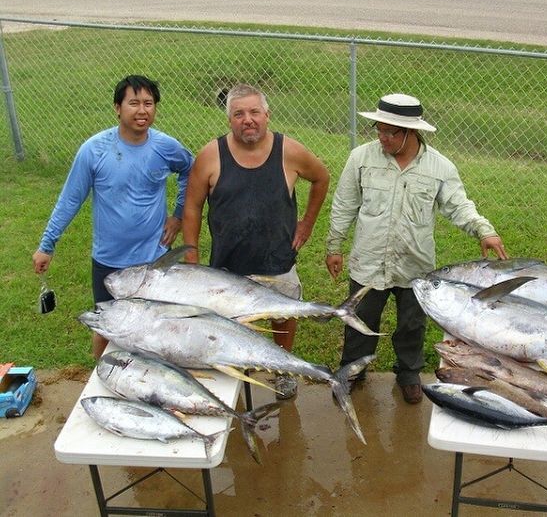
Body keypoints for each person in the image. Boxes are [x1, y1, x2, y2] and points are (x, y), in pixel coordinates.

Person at [325, 93, 508, 404]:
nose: (382, 137)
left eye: (390, 132)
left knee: (412, 322)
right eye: (378, 129)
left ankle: (408, 372)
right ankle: (353, 368)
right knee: (360, 317)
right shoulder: (360, 158)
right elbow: (345, 204)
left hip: (415, 264)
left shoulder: (440, 167)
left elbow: (457, 205)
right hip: (369, 260)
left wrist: (483, 229)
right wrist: (335, 245)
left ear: (410, 132)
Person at [182, 83, 330, 400]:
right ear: (229, 120)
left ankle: (284, 370)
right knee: (231, 326)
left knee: (283, 317)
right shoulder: (210, 155)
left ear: (267, 115)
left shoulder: (289, 151)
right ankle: (239, 374)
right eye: (238, 114)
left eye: (254, 112)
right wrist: (191, 253)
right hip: (228, 266)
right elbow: (192, 206)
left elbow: (321, 178)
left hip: (277, 260)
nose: (247, 120)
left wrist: (306, 224)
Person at [32, 75, 194, 359]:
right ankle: (103, 381)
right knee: (107, 328)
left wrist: (178, 215)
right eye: (134, 103)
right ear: (117, 108)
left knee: (154, 325)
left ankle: (149, 384)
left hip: (153, 259)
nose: (142, 110)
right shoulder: (93, 150)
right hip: (109, 260)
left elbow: (189, 171)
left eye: (148, 103)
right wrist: (47, 245)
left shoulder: (166, 147)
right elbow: (70, 199)